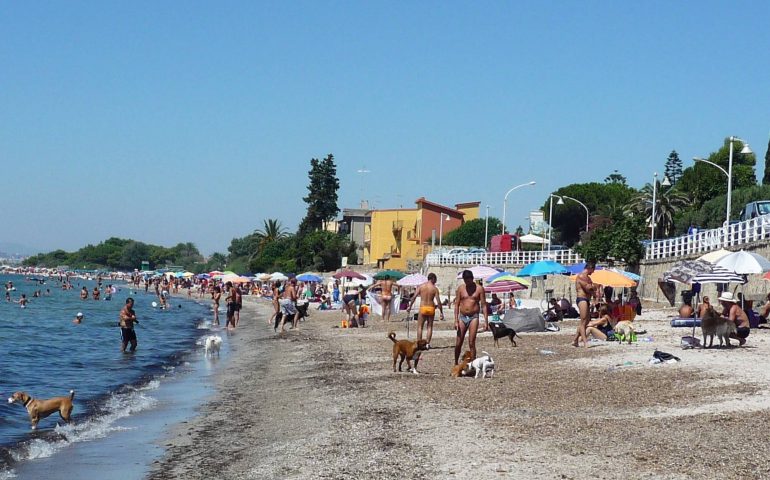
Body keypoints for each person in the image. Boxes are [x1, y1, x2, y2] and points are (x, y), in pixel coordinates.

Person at [453, 270, 489, 364]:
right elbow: (456, 304)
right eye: (465, 280)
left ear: (472, 279)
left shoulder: (479, 289)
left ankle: (473, 364)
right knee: (458, 343)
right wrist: (456, 320)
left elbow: (484, 305)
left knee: (471, 342)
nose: (467, 283)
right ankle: (456, 363)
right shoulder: (461, 288)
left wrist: (486, 321)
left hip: (474, 317)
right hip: (462, 316)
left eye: (469, 280)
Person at [407, 273, 444, 348]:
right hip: (431, 308)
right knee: (429, 327)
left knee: (420, 326)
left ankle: (419, 344)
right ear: (433, 278)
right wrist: (441, 312)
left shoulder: (421, 286)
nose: (435, 281)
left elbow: (414, 297)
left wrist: (410, 306)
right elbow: (439, 301)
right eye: (435, 279)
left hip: (423, 307)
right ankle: (427, 344)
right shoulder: (434, 288)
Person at [572, 261, 601, 348]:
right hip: (582, 299)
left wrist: (595, 291)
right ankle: (585, 342)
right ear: (590, 268)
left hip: (586, 299)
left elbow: (592, 289)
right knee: (583, 321)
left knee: (586, 322)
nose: (593, 272)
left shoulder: (588, 278)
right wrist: (595, 287)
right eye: (593, 270)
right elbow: (588, 288)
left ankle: (575, 340)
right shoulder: (581, 276)